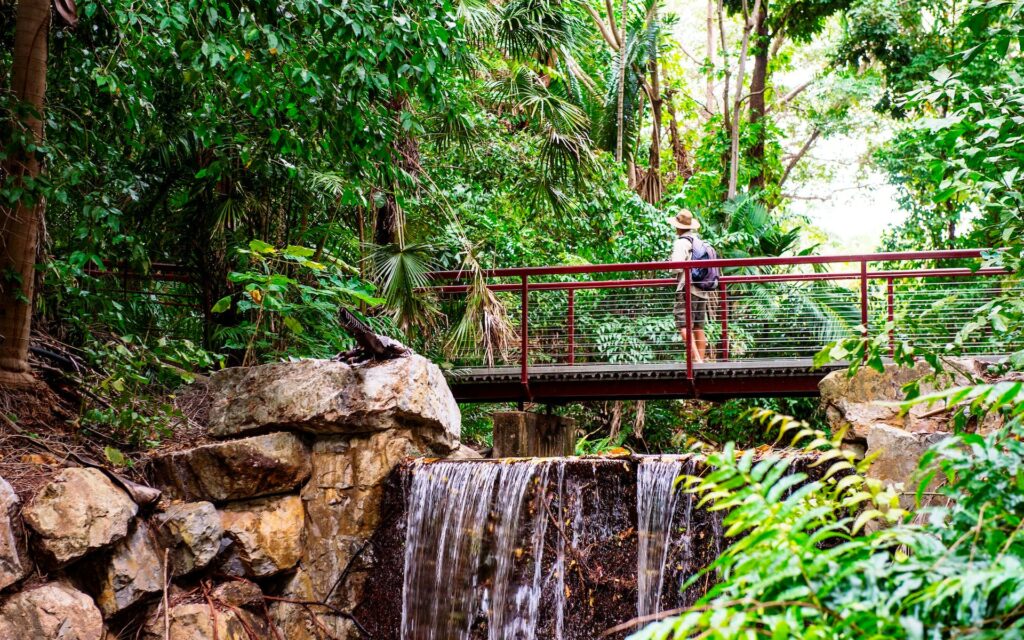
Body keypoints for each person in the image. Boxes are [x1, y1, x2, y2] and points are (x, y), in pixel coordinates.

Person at [668, 209, 714, 363]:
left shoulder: (681, 242)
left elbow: (676, 267)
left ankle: (697, 362)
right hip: (702, 290)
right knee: (698, 326)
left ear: (678, 227)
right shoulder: (699, 242)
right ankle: (700, 362)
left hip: (687, 288)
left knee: (684, 324)